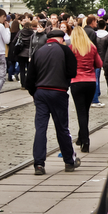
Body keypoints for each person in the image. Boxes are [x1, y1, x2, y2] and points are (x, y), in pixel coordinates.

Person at [25, 29, 80, 175]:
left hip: (41, 93)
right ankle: (69, 161)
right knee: (62, 128)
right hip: (59, 92)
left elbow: (29, 78)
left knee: (40, 129)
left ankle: (39, 164)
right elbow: (72, 72)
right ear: (61, 39)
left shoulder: (39, 51)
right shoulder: (65, 50)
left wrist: (35, 93)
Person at [69, 26, 103, 153]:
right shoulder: (92, 47)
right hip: (90, 82)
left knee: (80, 111)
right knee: (85, 110)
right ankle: (81, 137)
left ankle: (85, 140)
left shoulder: (72, 48)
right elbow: (99, 64)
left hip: (77, 82)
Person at [95, 19, 108, 101]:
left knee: (97, 76)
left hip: (97, 57)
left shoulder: (94, 35)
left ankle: (97, 92)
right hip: (106, 57)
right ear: (105, 27)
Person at [15, 19, 34, 90]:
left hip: (21, 53)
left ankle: (23, 84)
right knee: (29, 69)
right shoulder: (32, 33)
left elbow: (15, 41)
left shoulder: (20, 32)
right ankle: (28, 83)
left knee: (22, 69)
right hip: (29, 53)